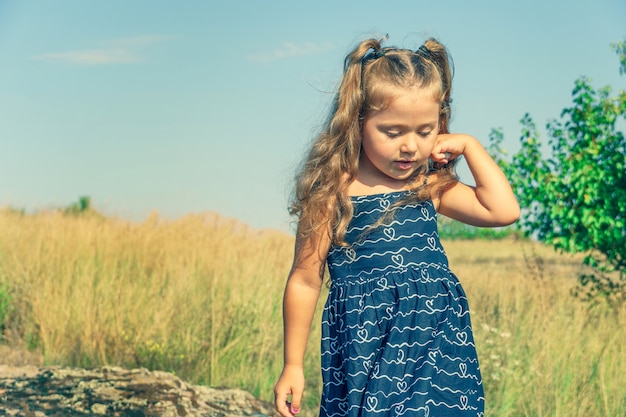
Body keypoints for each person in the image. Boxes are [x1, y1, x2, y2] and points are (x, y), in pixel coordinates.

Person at [274, 34, 520, 417]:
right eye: (393, 132)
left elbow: (502, 211)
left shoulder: (429, 185)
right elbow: (305, 279)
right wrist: (293, 364)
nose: (410, 146)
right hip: (364, 350)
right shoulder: (331, 193)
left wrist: (471, 146)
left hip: (434, 349)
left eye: (425, 131)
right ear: (357, 121)